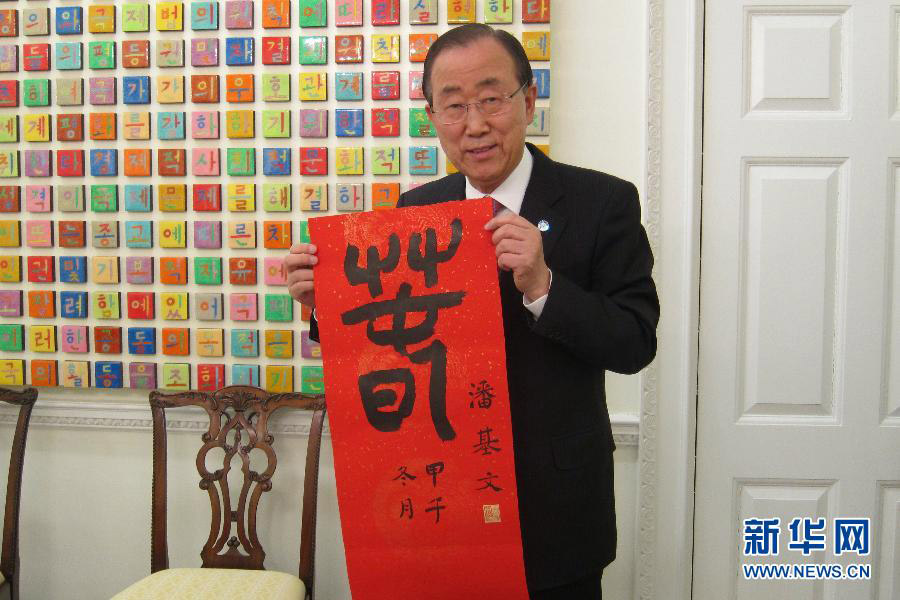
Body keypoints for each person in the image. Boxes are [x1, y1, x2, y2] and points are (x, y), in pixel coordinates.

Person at [285, 24, 659, 600]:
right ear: (433, 116)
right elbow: (395, 346)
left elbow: (635, 341)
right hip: (443, 505)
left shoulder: (603, 202)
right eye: (454, 105)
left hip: (555, 511)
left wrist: (544, 286)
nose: (475, 124)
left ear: (528, 100)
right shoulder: (417, 209)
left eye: (491, 99)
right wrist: (326, 307)